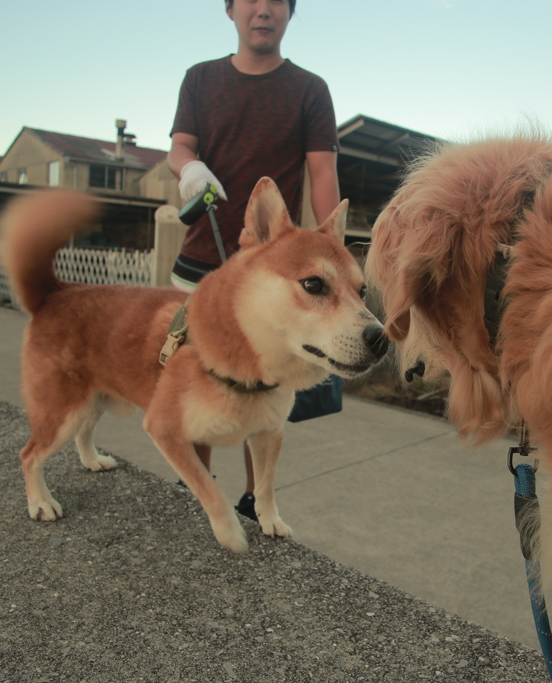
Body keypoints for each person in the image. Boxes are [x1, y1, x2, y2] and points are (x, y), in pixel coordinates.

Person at [167, 0, 340, 520]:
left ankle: (253, 497)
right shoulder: (200, 79)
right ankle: (197, 491)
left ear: (290, 12)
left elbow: (323, 174)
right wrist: (190, 168)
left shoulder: (310, 89)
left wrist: (333, 251)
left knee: (265, 385)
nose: (263, 10)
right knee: (193, 381)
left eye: (277, 1)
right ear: (229, 9)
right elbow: (179, 147)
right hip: (202, 258)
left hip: (271, 272)